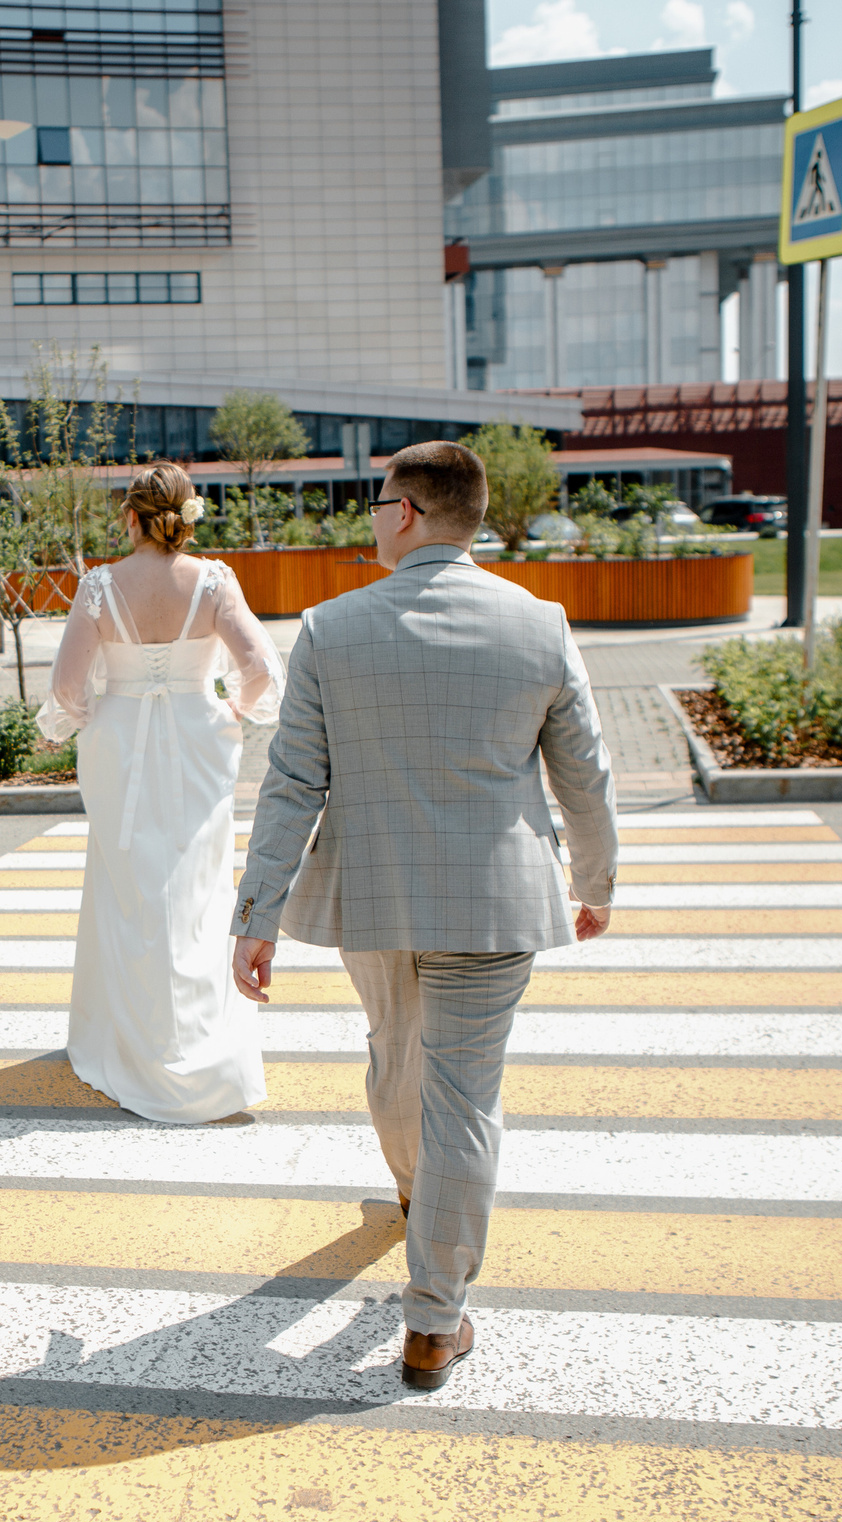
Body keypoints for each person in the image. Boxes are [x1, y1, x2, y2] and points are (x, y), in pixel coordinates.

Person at [229, 440, 617, 1392]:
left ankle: (417, 1197)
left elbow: (292, 782)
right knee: (464, 1098)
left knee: (395, 1057)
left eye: (377, 503)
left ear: (404, 511)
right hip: (495, 901)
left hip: (372, 896)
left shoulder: (330, 629)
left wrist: (257, 913)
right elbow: (586, 774)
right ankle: (435, 1321)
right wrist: (596, 882)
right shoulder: (540, 625)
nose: (372, 519)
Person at [41, 461, 285, 1124]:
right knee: (196, 885)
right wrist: (233, 708)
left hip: (119, 744)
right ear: (186, 515)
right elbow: (260, 667)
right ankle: (199, 1040)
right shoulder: (213, 581)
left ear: (131, 516)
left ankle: (130, 1040)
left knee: (127, 884)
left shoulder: (100, 585)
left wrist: (95, 714)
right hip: (196, 740)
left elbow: (66, 686)